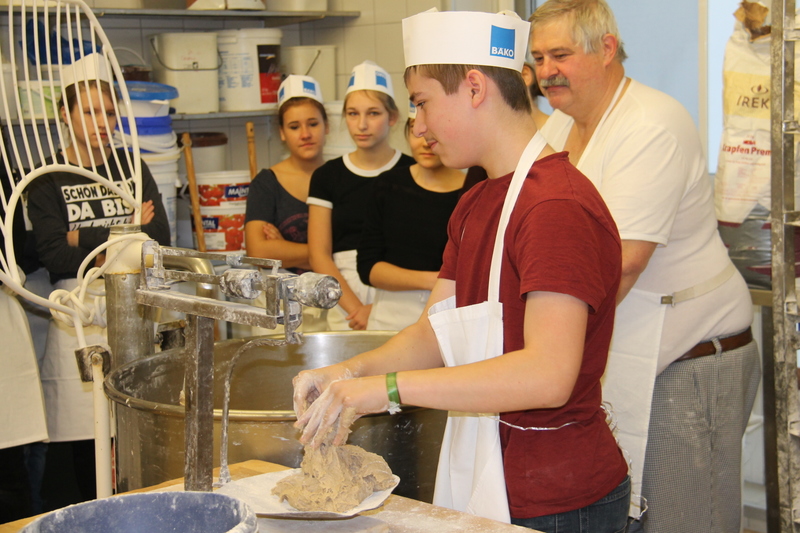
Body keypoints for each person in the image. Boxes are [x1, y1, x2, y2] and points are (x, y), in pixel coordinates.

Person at [292, 9, 630, 532]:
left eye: (423, 103)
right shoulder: (475, 203)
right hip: (486, 474)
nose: (419, 128)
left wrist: (389, 390)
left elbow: (548, 374)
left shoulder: (555, 207)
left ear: (474, 88)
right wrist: (350, 373)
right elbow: (433, 332)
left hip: (558, 499)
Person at [530, 1, 759, 531]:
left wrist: (538, 345)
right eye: (539, 58)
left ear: (606, 48)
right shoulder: (561, 132)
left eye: (561, 54)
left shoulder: (651, 124)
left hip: (690, 360)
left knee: (686, 520)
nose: (546, 72)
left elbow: (623, 264)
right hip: (629, 350)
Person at [26, 53, 170, 505]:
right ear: (66, 115)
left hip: (135, 307)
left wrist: (79, 237)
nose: (102, 122)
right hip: (76, 318)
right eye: (90, 112)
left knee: (136, 431)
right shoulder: (47, 178)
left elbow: (158, 238)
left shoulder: (130, 168)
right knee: (80, 443)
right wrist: (121, 230)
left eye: (109, 112)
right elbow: (52, 254)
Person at [306, 60, 414, 331]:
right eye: (353, 114)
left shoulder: (412, 171)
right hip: (342, 297)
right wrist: (356, 310)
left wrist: (379, 311)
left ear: (392, 117)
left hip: (401, 293)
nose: (362, 124)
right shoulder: (327, 176)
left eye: (373, 113)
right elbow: (319, 254)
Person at [357, 101, 465, 331]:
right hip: (389, 316)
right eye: (416, 129)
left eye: (436, 129)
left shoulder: (471, 190)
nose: (425, 140)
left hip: (449, 315)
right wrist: (432, 280)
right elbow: (368, 268)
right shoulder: (388, 185)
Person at [245, 75, 329, 333]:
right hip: (279, 307)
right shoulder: (266, 183)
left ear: (326, 125)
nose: (305, 134)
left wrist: (284, 249)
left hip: (332, 301)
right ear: (282, 132)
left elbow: (354, 250)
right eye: (294, 127)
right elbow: (258, 251)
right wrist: (323, 253)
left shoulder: (339, 178)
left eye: (313, 124)